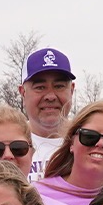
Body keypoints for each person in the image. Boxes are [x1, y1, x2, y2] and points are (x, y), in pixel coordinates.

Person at [19, 46, 76, 178]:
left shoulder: (90, 143)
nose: (50, 96)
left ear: (72, 90)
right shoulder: (6, 147)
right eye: (40, 87)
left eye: (59, 86)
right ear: (23, 93)